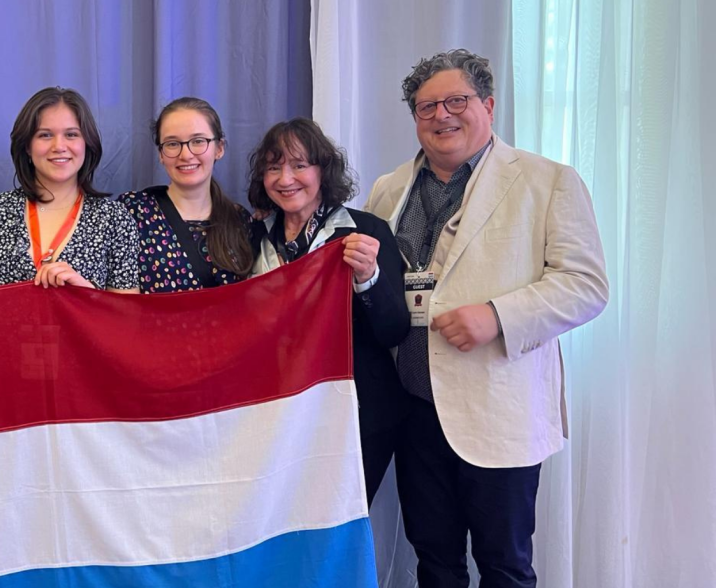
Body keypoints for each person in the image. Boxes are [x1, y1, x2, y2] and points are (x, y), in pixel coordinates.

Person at [365, 49, 608, 587]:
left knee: (505, 565)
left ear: (489, 105)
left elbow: (587, 286)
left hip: (499, 407)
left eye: (457, 100)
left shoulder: (549, 182)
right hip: (415, 409)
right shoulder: (388, 190)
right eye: (426, 106)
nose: (441, 115)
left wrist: (498, 316)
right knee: (435, 561)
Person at [247, 117, 410, 506]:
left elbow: (394, 330)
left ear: (323, 170)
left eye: (299, 165)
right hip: (276, 412)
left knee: (338, 526)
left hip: (355, 413)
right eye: (273, 167)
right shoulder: (250, 236)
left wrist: (368, 276)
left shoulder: (365, 232)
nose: (285, 178)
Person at [0, 87, 139, 292]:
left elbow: (126, 315)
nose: (59, 146)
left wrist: (87, 292)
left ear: (86, 143)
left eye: (71, 134)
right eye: (45, 135)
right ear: (27, 146)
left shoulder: (114, 219)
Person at [118, 97, 254, 292]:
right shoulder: (133, 211)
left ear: (219, 148)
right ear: (161, 154)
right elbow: (114, 298)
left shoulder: (240, 221)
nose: (186, 154)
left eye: (198, 141)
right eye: (172, 144)